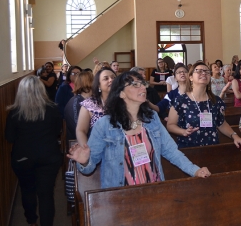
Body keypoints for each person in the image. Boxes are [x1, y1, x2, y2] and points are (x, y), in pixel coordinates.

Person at [67, 71, 211, 189]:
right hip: (120, 196)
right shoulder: (104, 125)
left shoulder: (152, 118)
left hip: (154, 191)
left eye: (143, 84)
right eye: (135, 85)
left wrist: (195, 170)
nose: (142, 88)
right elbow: (88, 167)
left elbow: (171, 151)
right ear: (121, 93)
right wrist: (85, 161)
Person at [5, 76, 62, 226]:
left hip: (23, 158)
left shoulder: (14, 112)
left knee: (27, 190)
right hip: (49, 157)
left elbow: (9, 137)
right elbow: (58, 131)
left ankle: (31, 221)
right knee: (46, 194)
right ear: (41, 90)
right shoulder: (52, 109)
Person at [166, 62, 241, 149]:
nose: (204, 73)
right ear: (191, 77)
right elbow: (170, 125)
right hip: (189, 149)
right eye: (199, 71)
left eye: (207, 72)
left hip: (212, 148)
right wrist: (183, 131)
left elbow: (221, 123)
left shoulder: (216, 101)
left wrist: (235, 136)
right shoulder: (180, 101)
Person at [76, 67, 116, 147]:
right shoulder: (90, 104)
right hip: (99, 150)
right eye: (106, 78)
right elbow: (81, 130)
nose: (111, 80)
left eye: (113, 77)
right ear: (98, 85)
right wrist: (87, 150)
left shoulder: (125, 101)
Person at [64, 71, 93, 143]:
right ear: (88, 82)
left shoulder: (86, 100)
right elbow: (78, 130)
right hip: (78, 143)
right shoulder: (76, 102)